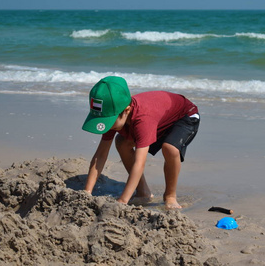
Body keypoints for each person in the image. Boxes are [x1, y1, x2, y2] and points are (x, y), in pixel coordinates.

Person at [82, 76, 200, 209]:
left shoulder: (143, 119)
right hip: (158, 118)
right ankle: (143, 192)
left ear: (126, 110)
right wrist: (87, 192)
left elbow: (140, 163)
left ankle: (170, 196)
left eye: (109, 120)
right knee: (122, 142)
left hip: (184, 116)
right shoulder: (114, 116)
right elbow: (101, 155)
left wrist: (122, 201)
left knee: (170, 148)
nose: (106, 125)